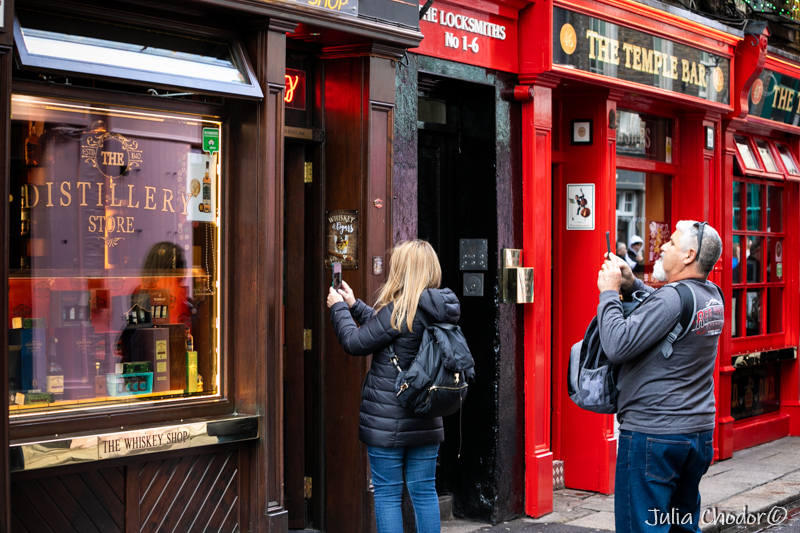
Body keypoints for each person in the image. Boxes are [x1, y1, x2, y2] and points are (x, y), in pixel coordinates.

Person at [596, 221, 724, 533]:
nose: (663, 247)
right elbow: (667, 307)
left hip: (653, 436)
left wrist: (610, 293)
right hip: (696, 435)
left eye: (672, 243)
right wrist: (632, 284)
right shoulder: (712, 296)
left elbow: (616, 344)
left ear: (689, 255)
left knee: (642, 526)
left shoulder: (672, 297)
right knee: (681, 526)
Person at [327, 240, 458, 533]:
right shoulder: (440, 309)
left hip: (388, 419)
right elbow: (388, 333)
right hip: (427, 413)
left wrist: (338, 310)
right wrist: (354, 305)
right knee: (424, 492)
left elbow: (355, 342)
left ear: (402, 270)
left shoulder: (399, 310)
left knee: (388, 494)